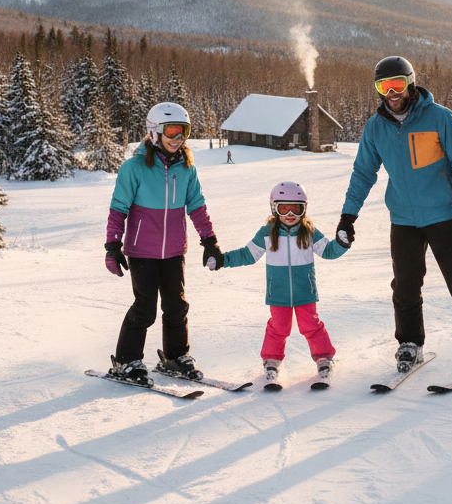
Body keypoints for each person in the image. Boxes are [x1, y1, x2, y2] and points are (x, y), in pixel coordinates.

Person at [337, 55, 452, 376]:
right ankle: (410, 343)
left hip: (443, 216)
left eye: (397, 84)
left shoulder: (439, 118)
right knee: (405, 287)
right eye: (384, 86)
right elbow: (362, 174)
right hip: (403, 220)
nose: (392, 92)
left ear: (410, 83)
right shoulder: (376, 128)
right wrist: (348, 216)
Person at [103, 102, 223, 386]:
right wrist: (112, 246)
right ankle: (126, 360)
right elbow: (118, 208)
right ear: (155, 131)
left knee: (176, 306)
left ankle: (175, 356)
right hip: (142, 249)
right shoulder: (133, 168)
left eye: (183, 131)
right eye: (172, 130)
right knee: (145, 308)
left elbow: (196, 206)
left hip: (173, 250)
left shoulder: (186, 167)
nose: (178, 138)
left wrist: (209, 241)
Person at [208, 181, 350, 383]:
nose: (290, 214)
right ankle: (272, 360)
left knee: (311, 325)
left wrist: (342, 243)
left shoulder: (308, 231)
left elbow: (328, 251)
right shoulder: (268, 232)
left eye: (296, 208)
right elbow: (248, 254)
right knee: (278, 327)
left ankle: (324, 357)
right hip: (278, 292)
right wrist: (223, 259)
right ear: (274, 208)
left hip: (305, 291)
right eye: (284, 208)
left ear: (304, 209)